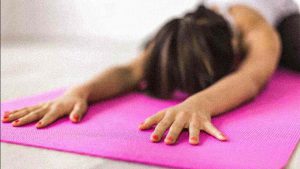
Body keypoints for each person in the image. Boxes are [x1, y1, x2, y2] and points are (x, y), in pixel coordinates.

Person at [2, 0, 299, 145]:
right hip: (205, 19)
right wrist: (78, 92)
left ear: (235, 55)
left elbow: (250, 78)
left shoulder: (257, 32)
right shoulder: (188, 27)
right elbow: (129, 72)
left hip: (283, 16)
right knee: (157, 48)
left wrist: (199, 103)